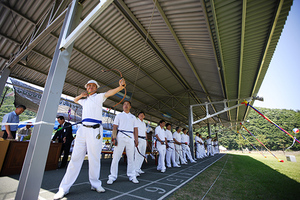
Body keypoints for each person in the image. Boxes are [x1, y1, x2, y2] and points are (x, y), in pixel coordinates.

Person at [54, 79, 126, 199]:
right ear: (86, 88)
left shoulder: (99, 96)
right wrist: (81, 95)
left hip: (95, 130)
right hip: (83, 130)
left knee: (94, 158)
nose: (91, 87)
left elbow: (109, 92)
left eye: (93, 86)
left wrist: (120, 87)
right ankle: (63, 188)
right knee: (75, 158)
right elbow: (74, 100)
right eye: (89, 86)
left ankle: (95, 184)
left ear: (96, 88)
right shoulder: (84, 100)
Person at [107, 101, 139, 184]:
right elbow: (115, 127)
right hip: (120, 135)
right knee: (116, 157)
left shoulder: (133, 117)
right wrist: (114, 138)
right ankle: (112, 176)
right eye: (124, 104)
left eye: (127, 104)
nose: (126, 106)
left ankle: (132, 175)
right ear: (122, 106)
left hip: (130, 137)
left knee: (131, 157)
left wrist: (136, 139)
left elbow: (135, 129)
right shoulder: (119, 115)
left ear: (130, 107)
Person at [134, 111, 147, 176]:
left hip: (144, 139)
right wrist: (135, 139)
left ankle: (139, 168)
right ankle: (135, 170)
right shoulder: (136, 121)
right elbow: (134, 130)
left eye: (143, 115)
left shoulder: (144, 123)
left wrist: (146, 139)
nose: (141, 116)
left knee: (142, 154)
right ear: (138, 116)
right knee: (137, 154)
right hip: (138, 138)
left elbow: (145, 132)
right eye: (140, 115)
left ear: (144, 116)